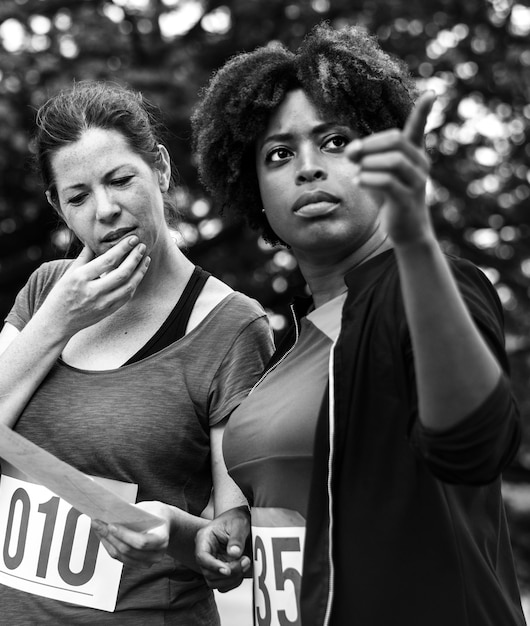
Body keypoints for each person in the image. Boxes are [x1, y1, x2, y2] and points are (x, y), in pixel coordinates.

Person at [191, 22, 525, 626]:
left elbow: (475, 445)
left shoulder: (427, 289)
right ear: (253, 189)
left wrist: (416, 243)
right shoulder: (288, 342)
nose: (308, 167)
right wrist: (219, 526)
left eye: (337, 141)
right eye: (279, 154)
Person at [0, 80, 274, 625]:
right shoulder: (47, 292)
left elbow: (231, 551)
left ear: (159, 168)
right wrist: (56, 324)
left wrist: (172, 530)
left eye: (120, 180)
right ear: (57, 206)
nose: (106, 210)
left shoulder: (231, 326)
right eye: (78, 196)